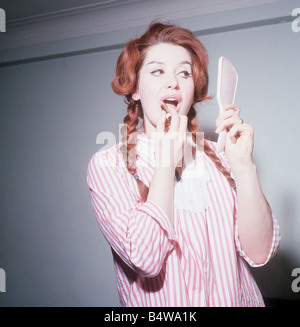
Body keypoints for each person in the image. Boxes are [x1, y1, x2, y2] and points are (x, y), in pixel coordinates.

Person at [87, 22, 280, 307]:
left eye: (184, 72)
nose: (173, 82)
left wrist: (243, 167)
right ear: (135, 90)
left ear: (192, 91)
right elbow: (145, 258)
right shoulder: (108, 165)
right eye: (157, 70)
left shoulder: (219, 154)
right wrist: (165, 163)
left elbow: (260, 252)